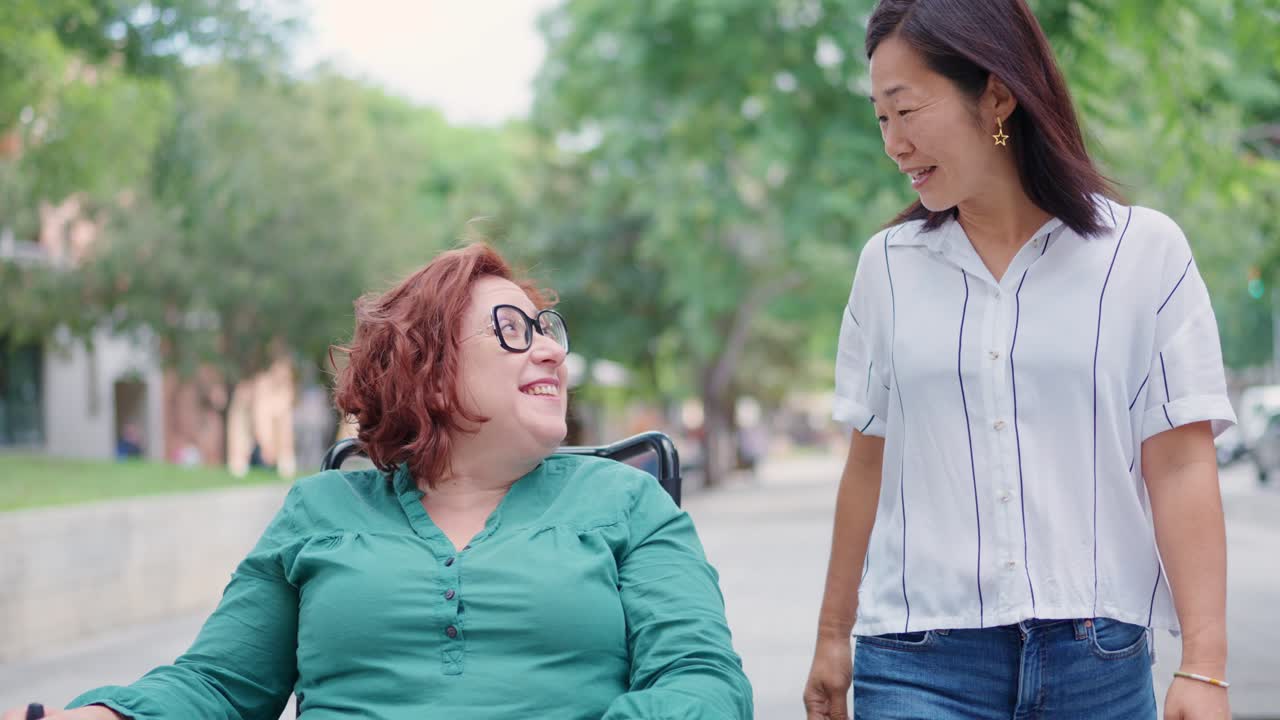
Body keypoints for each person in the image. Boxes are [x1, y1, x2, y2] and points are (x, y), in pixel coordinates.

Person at [7, 243, 752, 720]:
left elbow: (704, 682)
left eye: (550, 333)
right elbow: (219, 687)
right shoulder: (322, 510)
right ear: (427, 366)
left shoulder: (626, 503)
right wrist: (96, 717)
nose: (552, 355)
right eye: (515, 333)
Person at [802, 2, 1235, 719]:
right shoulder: (887, 269)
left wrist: (1206, 666)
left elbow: (1182, 463)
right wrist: (829, 634)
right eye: (880, 118)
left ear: (997, 94)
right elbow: (869, 458)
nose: (894, 145)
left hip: (1099, 661)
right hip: (918, 663)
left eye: (906, 110)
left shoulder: (1144, 255)